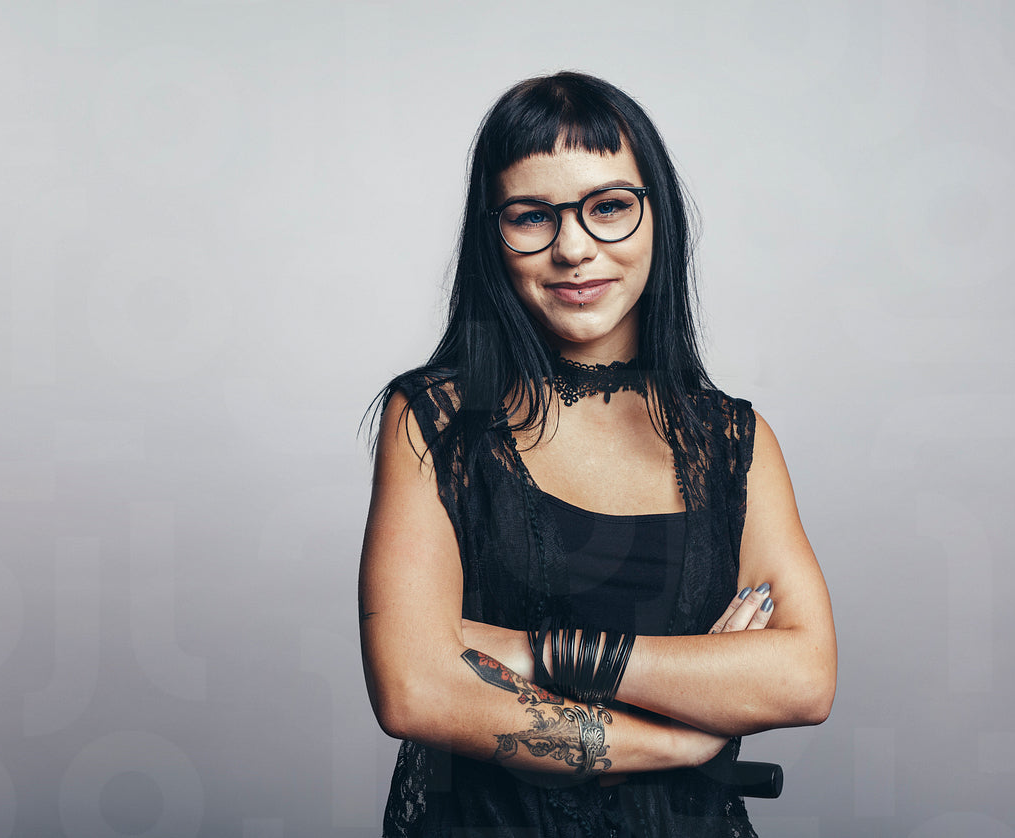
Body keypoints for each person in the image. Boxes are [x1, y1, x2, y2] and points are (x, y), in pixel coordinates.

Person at [358, 71, 836, 838]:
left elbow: (805, 678)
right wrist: (681, 739)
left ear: (658, 216)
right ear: (492, 236)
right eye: (531, 216)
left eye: (609, 207)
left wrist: (541, 653)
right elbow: (418, 692)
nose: (574, 249)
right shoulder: (436, 422)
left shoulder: (732, 442)